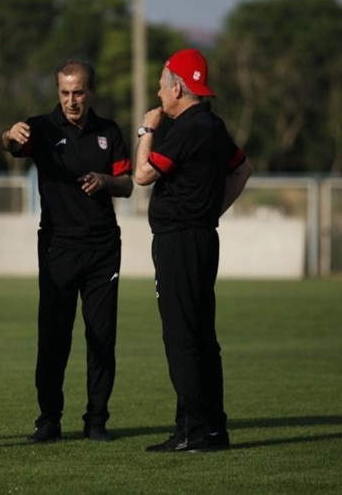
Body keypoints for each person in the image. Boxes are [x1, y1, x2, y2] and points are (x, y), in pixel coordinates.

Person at [1, 60, 133, 443]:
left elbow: (127, 185)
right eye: (64, 93)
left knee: (101, 336)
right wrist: (8, 134)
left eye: (78, 92)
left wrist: (106, 180)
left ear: (91, 92)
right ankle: (48, 420)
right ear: (58, 92)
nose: (71, 100)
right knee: (54, 336)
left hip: (103, 249)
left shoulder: (109, 131)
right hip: (58, 247)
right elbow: (11, 145)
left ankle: (96, 420)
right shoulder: (41, 127)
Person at [134, 48, 252, 453]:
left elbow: (142, 174)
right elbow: (243, 169)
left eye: (163, 82)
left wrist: (146, 130)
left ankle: (197, 431)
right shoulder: (213, 127)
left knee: (181, 337)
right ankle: (204, 428)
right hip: (201, 237)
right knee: (202, 337)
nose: (158, 91)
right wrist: (211, 211)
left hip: (179, 242)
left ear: (178, 87)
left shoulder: (184, 128)